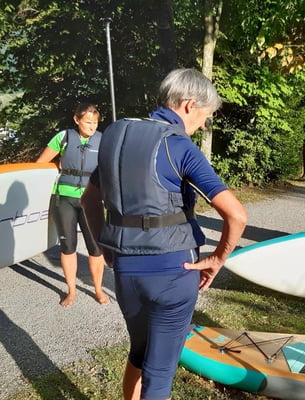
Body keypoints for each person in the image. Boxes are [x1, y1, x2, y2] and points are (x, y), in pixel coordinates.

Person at [81, 69, 247, 400]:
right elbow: (236, 215)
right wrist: (217, 259)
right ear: (189, 105)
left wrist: (105, 246)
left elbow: (88, 199)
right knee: (159, 375)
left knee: (139, 353)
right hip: (174, 272)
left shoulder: (117, 137)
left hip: (126, 272)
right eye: (205, 116)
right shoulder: (179, 146)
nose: (203, 124)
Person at [36, 103, 109, 307]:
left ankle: (98, 290)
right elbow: (40, 164)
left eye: (95, 123)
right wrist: (58, 165)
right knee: (68, 247)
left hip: (91, 199)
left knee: (96, 248)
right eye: (87, 122)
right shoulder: (64, 137)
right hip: (64, 199)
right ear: (76, 120)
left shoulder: (103, 141)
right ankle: (71, 291)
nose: (92, 126)